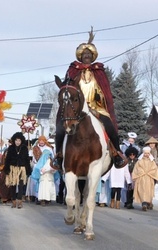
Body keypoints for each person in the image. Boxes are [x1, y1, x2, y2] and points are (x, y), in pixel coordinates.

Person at [53, 28, 125, 169]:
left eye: (89, 54)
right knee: (60, 128)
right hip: (75, 110)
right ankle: (59, 155)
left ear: (93, 57)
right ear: (80, 56)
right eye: (84, 54)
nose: (86, 56)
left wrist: (101, 103)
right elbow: (67, 87)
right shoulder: (73, 70)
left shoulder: (98, 71)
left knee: (110, 126)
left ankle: (116, 153)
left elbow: (104, 91)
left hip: (96, 107)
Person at [4, 132, 30, 209]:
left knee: (21, 185)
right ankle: (14, 201)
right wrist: (7, 169)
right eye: (16, 140)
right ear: (14, 140)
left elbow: (27, 159)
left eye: (19, 140)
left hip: (22, 169)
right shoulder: (11, 148)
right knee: (13, 186)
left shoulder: (24, 148)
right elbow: (7, 159)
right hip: (13, 168)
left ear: (21, 141)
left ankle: (19, 201)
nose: (17, 142)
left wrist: (28, 169)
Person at [132, 147, 158, 211]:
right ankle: (143, 204)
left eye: (148, 153)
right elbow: (137, 169)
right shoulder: (139, 161)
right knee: (142, 191)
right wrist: (142, 172)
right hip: (141, 178)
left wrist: (149, 173)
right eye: (145, 153)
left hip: (149, 179)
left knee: (148, 191)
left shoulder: (152, 161)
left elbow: (154, 169)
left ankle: (148, 203)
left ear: (149, 154)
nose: (146, 155)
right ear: (143, 153)